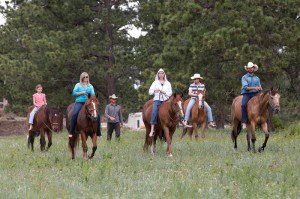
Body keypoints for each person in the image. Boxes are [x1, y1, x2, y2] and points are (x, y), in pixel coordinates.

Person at [69, 72, 101, 137]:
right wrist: (82, 92)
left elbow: (93, 94)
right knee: (75, 113)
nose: (85, 78)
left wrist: (93, 95)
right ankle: (71, 131)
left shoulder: (90, 86)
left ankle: (98, 132)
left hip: (88, 103)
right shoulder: (78, 85)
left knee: (98, 115)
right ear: (82, 78)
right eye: (84, 77)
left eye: (87, 77)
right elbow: (74, 93)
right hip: (79, 102)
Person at [148, 68, 173, 137]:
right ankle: (152, 129)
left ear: (164, 74)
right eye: (159, 73)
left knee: (174, 109)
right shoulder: (155, 82)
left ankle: (178, 122)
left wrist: (163, 91)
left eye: (162, 73)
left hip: (166, 100)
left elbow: (170, 93)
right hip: (157, 100)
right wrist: (154, 90)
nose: (161, 74)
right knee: (154, 111)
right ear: (158, 74)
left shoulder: (168, 83)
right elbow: (150, 92)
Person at [241, 62, 262, 129]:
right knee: (243, 104)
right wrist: (255, 88)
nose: (250, 69)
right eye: (249, 68)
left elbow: (259, 86)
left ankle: (262, 119)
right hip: (247, 94)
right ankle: (244, 122)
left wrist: (260, 88)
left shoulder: (257, 78)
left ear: (254, 68)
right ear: (247, 69)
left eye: (251, 68)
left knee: (263, 104)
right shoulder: (244, 77)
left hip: (255, 94)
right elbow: (245, 87)